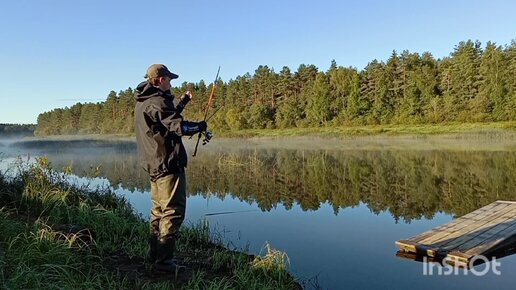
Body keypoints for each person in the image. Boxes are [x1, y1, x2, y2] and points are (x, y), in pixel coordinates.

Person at [134, 64, 207, 272]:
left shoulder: (144, 102)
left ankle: (155, 256)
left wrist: (182, 102)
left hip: (155, 164)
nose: (171, 83)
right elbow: (179, 126)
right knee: (173, 211)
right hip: (167, 164)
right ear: (159, 80)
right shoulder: (157, 102)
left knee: (158, 211)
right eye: (169, 79)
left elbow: (166, 118)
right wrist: (199, 127)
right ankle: (164, 262)